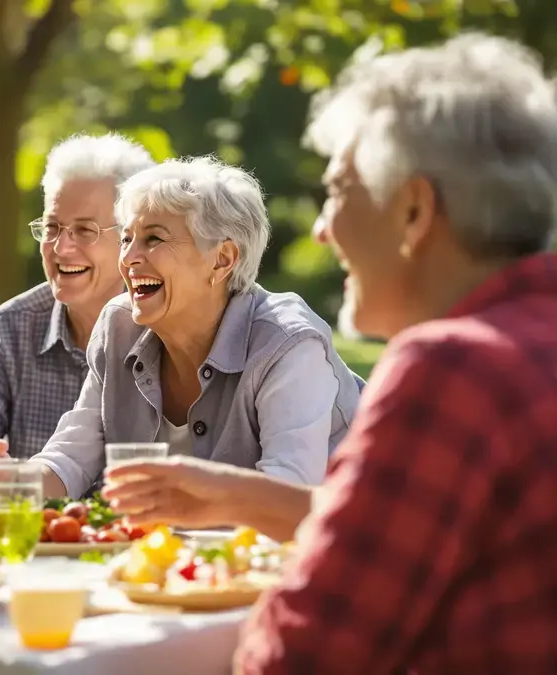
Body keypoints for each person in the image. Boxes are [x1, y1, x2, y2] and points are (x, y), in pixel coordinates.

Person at [105, 33, 557, 674]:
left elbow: (304, 655)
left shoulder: (451, 370)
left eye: (341, 190)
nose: (322, 228)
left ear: (414, 210)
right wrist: (239, 497)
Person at [0, 156, 365, 514]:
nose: (130, 258)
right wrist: (1, 484)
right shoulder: (118, 325)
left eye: (154, 239)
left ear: (222, 259)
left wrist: (185, 493)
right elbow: (71, 457)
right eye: (128, 237)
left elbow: (290, 495)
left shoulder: (288, 345)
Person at [0, 133, 154, 516]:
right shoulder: (11, 329)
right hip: (36, 555)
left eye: (85, 230)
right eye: (52, 228)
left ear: (128, 238)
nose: (61, 248)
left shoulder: (169, 328)